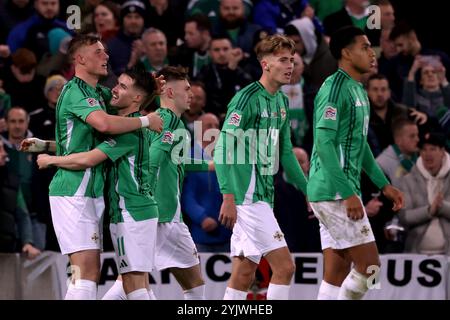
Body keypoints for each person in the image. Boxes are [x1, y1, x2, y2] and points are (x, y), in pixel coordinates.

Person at [22, 34, 163, 300]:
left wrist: (147, 92)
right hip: (73, 189)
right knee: (86, 271)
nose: (106, 56)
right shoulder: (76, 91)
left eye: (106, 51)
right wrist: (146, 120)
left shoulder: (96, 92)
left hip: (90, 192)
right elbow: (106, 125)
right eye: (98, 52)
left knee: (91, 273)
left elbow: (123, 108)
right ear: (80, 59)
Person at [307, 26, 404, 300]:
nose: (372, 53)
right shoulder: (335, 89)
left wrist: (384, 186)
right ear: (346, 53)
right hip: (335, 190)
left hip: (339, 190)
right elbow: (323, 144)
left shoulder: (358, 90)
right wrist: (347, 193)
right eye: (364, 47)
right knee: (371, 268)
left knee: (336, 272)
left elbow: (360, 148)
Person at [213, 34, 308, 300]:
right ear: (266, 64)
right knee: (285, 268)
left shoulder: (282, 101)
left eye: (292, 60)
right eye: (283, 60)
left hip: (264, 195)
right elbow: (222, 149)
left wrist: (308, 189)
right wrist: (228, 196)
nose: (290, 65)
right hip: (246, 196)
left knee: (244, 274)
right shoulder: (245, 99)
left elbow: (286, 152)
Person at [103, 66, 210, 300]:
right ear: (170, 93)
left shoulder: (168, 123)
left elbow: (174, 160)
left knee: (192, 282)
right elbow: (150, 161)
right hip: (157, 214)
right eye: (187, 89)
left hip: (167, 214)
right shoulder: (167, 120)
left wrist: (211, 165)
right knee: (132, 283)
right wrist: (143, 195)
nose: (191, 94)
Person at [398, 132, 450, 255]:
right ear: (419, 153)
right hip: (416, 255)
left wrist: (442, 207)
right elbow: (404, 216)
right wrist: (429, 211)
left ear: (442, 152)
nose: (428, 154)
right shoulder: (408, 180)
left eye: (433, 149)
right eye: (424, 149)